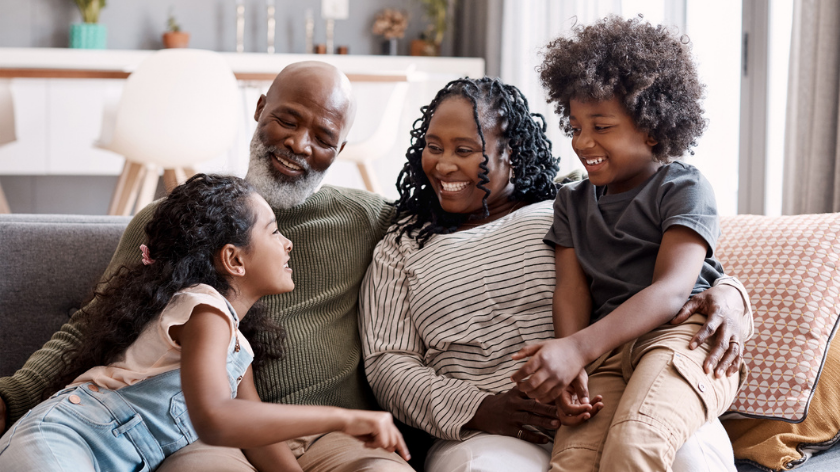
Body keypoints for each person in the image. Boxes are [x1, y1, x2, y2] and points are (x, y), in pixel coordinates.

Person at [0, 60, 743, 471]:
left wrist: (729, 293)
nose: (300, 143)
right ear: (258, 108)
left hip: (338, 442)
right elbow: (97, 326)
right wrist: (14, 394)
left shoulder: (370, 220)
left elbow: (651, 251)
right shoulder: (169, 221)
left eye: (325, 134)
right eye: (286, 119)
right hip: (207, 435)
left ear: (341, 146)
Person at [360, 76, 753, 471]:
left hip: (625, 377)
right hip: (494, 431)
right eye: (433, 147)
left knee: (673, 454)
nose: (444, 164)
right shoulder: (401, 245)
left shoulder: (560, 201)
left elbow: (676, 272)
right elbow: (387, 362)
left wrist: (731, 293)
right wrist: (481, 408)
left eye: (465, 149)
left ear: (511, 152)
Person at [0, 174, 409, 471]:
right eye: (274, 232)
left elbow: (253, 432)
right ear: (234, 259)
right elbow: (215, 419)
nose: (288, 243)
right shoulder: (203, 310)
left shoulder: (234, 343)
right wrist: (345, 417)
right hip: (64, 439)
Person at [510, 17, 753, 472]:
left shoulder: (683, 186)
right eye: (576, 125)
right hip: (606, 351)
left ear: (653, 128)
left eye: (601, 126)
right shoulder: (571, 200)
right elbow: (571, 290)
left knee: (634, 445)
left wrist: (577, 349)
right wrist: (572, 364)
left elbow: (672, 290)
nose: (583, 142)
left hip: (683, 336)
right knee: (573, 462)